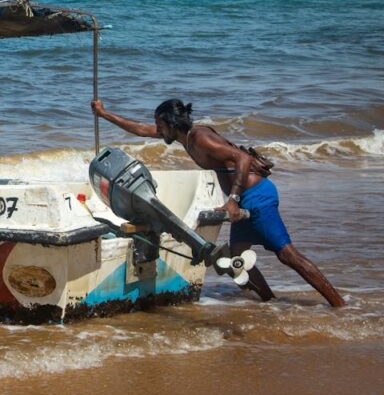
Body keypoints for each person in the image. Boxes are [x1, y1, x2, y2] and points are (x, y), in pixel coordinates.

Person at [91, 98, 345, 307]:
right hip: (244, 198)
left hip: (257, 196)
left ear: (170, 122)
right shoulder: (185, 138)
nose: (156, 129)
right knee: (237, 261)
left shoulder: (200, 137)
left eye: (159, 124)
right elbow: (140, 129)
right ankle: (270, 303)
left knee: (287, 255)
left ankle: (339, 305)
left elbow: (242, 158)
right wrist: (104, 114)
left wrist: (232, 200)